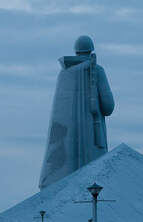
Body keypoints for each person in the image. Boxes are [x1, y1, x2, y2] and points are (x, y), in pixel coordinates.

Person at [39, 35, 115, 189]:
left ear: (76, 52)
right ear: (91, 50)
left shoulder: (64, 74)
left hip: (65, 154)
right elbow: (108, 107)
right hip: (93, 139)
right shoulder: (97, 70)